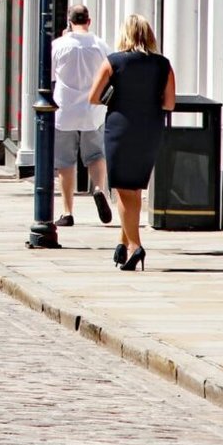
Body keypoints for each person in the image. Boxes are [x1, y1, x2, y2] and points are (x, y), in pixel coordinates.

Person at [90, 14, 175, 271]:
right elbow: (169, 103)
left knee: (124, 191)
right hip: (150, 128)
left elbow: (94, 97)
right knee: (134, 189)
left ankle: (135, 247)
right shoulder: (163, 65)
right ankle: (122, 242)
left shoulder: (113, 62)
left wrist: (116, 96)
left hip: (120, 127)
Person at [49, 5, 113, 227]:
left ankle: (67, 212)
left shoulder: (59, 45)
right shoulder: (100, 45)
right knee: (96, 155)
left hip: (64, 109)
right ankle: (98, 188)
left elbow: (49, 76)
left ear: (69, 21)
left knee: (65, 162)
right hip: (93, 110)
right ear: (89, 20)